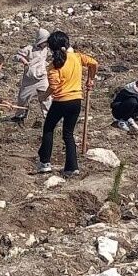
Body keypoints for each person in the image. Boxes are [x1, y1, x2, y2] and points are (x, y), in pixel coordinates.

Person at [38, 31, 97, 176]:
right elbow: (93, 63)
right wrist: (91, 79)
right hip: (76, 101)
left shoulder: (53, 66)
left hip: (60, 102)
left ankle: (45, 162)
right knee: (68, 134)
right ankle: (72, 167)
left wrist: (43, 97)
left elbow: (53, 86)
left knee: (49, 128)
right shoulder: (77, 57)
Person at [14, 28, 52, 126]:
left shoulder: (47, 49)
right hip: (29, 80)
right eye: (45, 41)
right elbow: (16, 56)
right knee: (23, 98)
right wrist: (23, 60)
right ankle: (19, 116)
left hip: (42, 78)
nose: (46, 44)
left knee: (46, 98)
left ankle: (49, 118)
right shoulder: (29, 49)